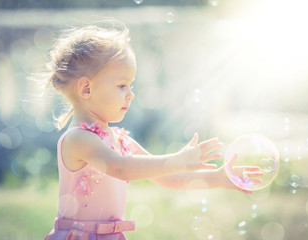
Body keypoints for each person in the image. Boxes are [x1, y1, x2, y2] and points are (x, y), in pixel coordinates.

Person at [42, 19, 262, 240]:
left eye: (131, 85)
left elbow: (168, 177)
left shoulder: (120, 141)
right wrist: (178, 159)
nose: (131, 94)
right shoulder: (79, 139)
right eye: (121, 85)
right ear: (86, 88)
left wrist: (217, 177)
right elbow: (121, 168)